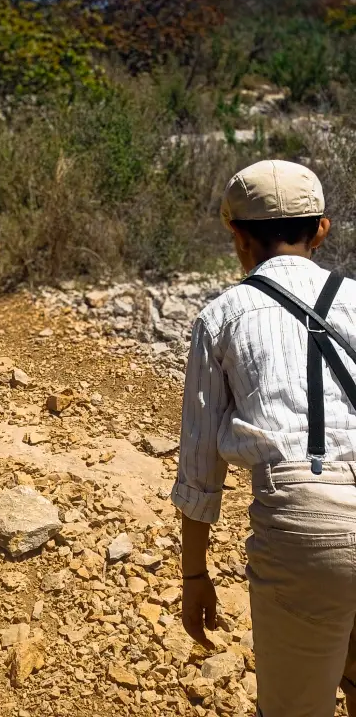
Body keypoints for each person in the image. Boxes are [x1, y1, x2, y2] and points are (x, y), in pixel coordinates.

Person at [172, 159, 356, 717]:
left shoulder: (222, 317)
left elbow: (201, 470)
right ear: (321, 228)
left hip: (305, 522)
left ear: (237, 234)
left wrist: (195, 574)